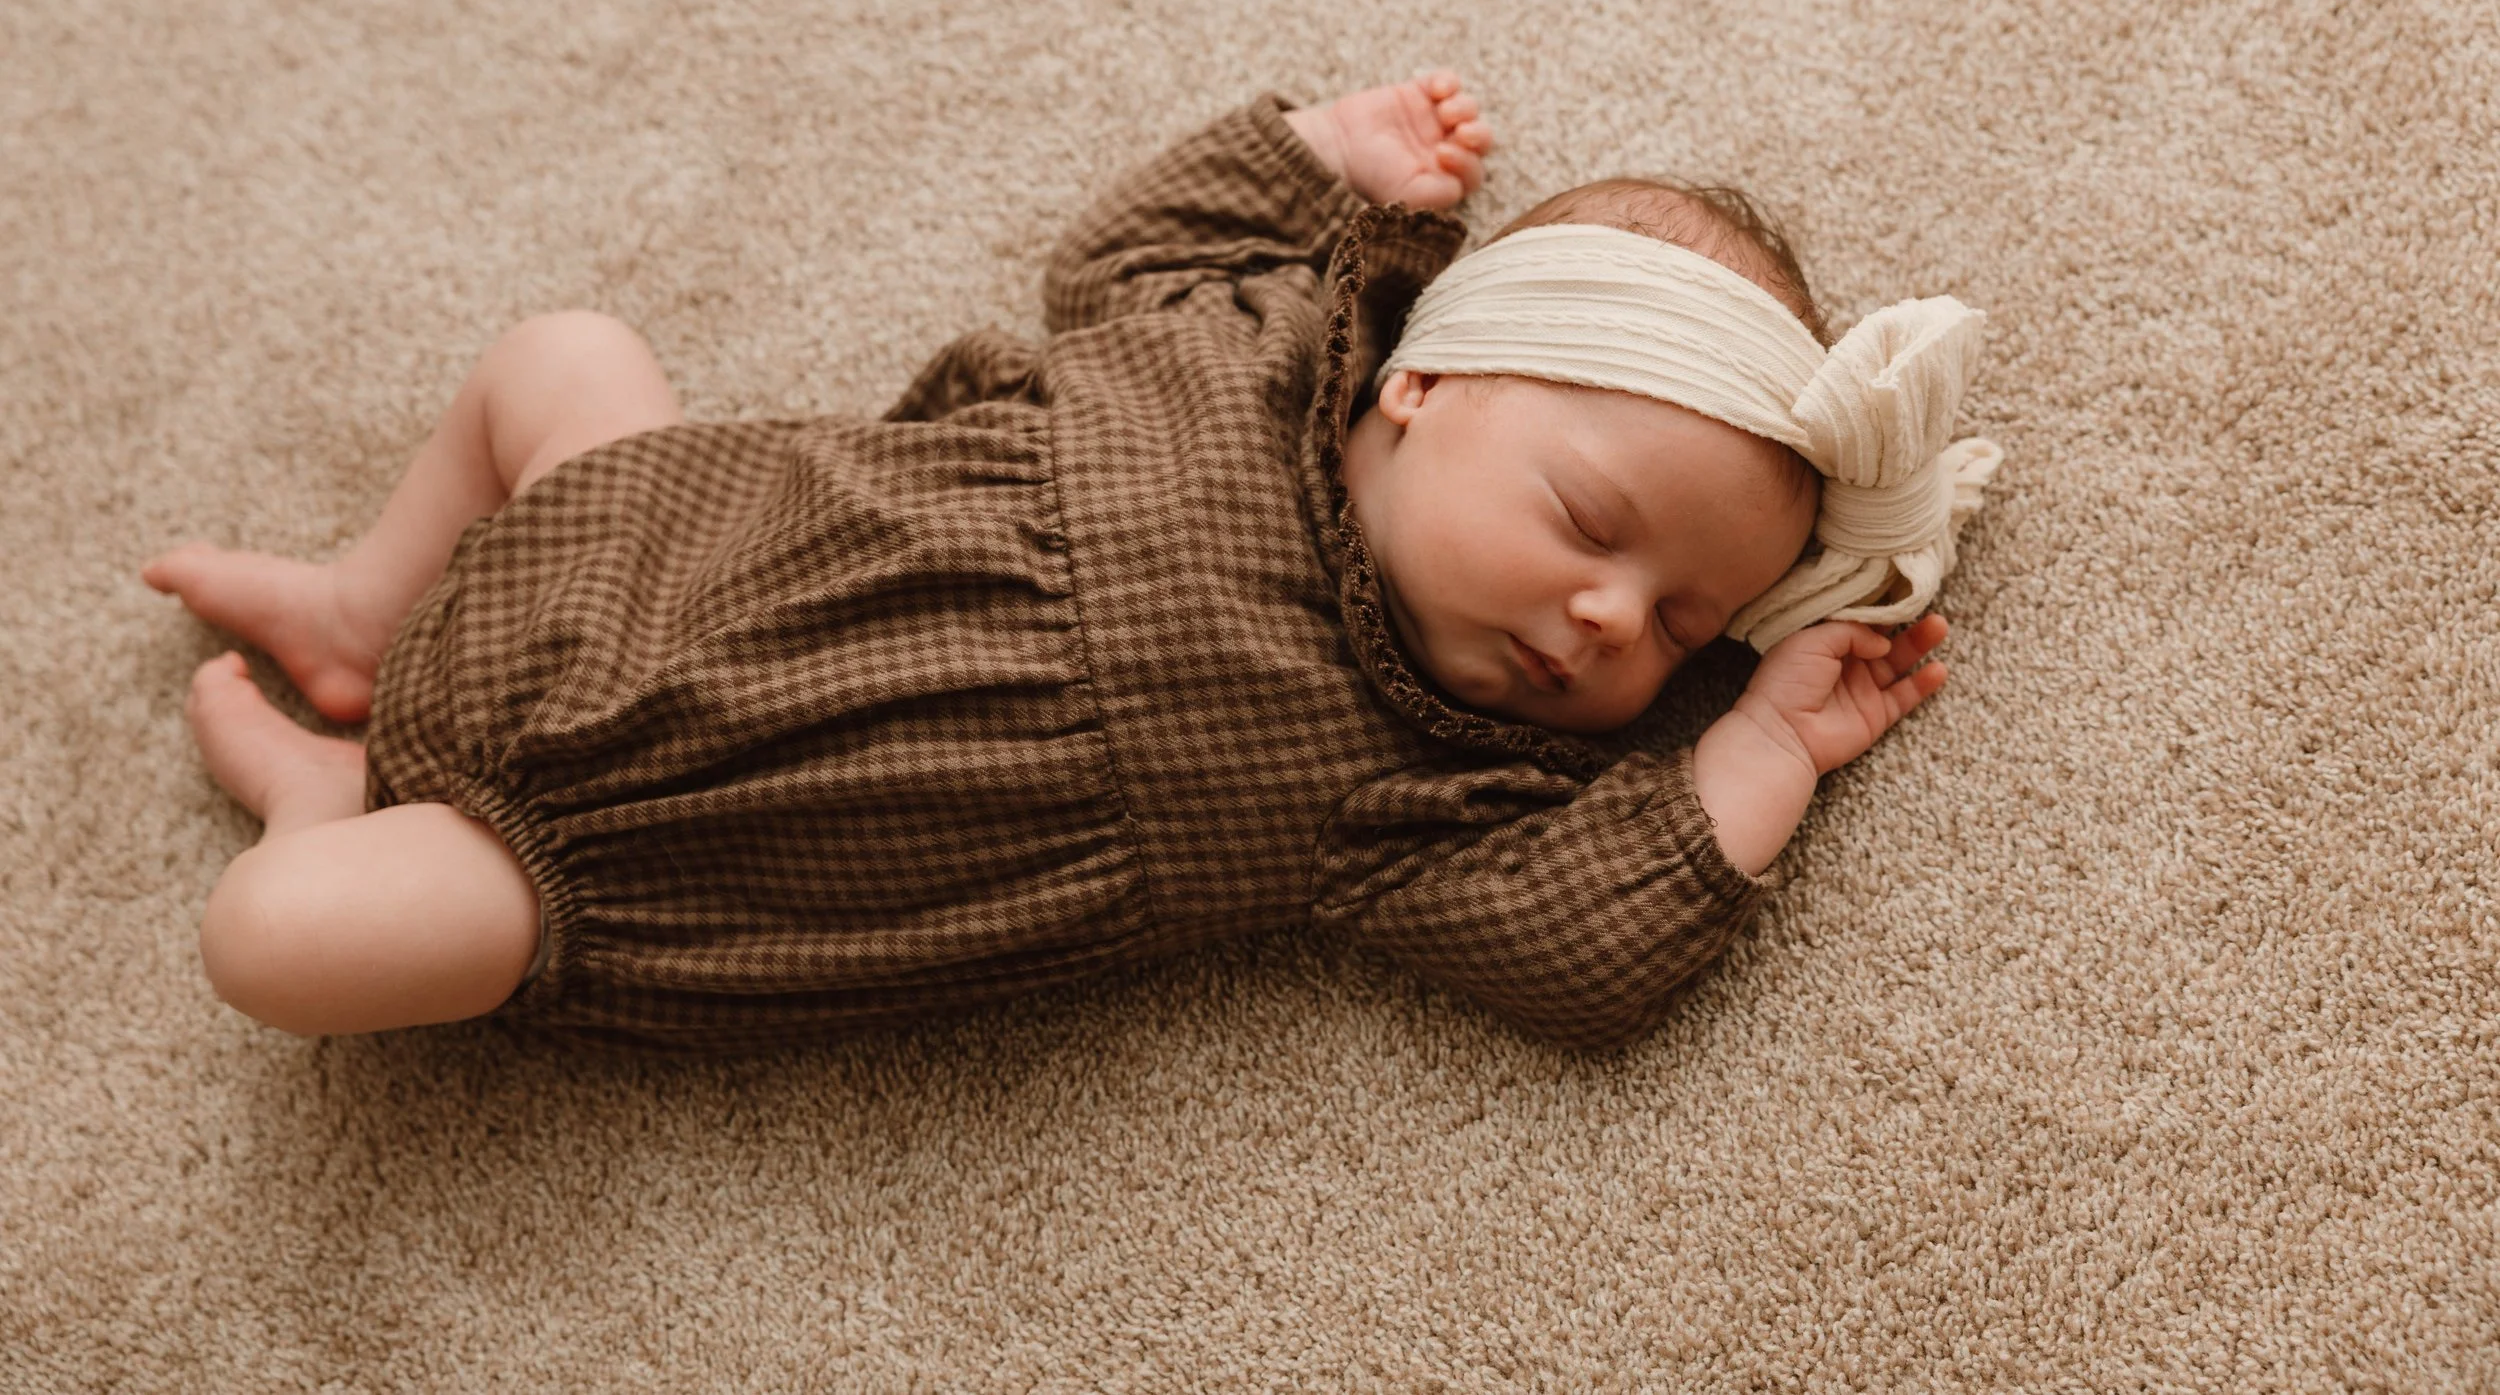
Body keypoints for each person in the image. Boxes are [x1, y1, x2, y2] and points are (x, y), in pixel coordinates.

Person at [141, 71, 2000, 1052]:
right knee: (559, 358)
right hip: (659, 527)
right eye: (1596, 527)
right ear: (1422, 376)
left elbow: (1572, 951)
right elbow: (1117, 250)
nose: (1612, 620)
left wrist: (1756, 744)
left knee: (274, 944)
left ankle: (334, 811)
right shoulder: (1273, 330)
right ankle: (371, 615)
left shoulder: (1444, 783)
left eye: (1675, 623)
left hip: (617, 844)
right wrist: (1314, 151)